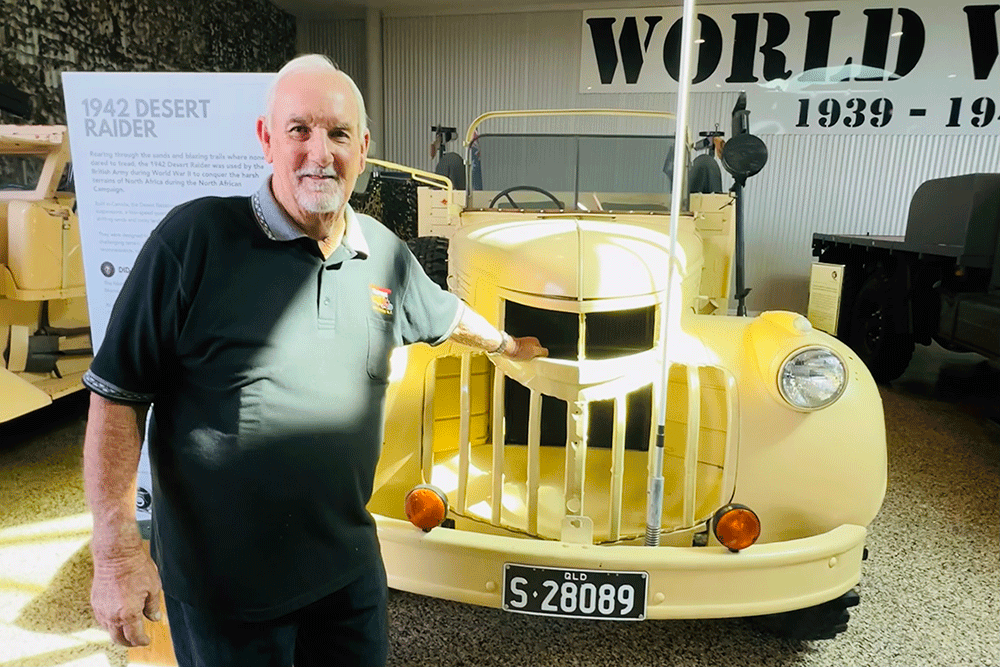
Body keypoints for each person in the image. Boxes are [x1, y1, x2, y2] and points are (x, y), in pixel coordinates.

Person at [83, 53, 547, 667]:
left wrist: (508, 347)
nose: (319, 153)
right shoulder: (193, 240)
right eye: (299, 129)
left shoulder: (382, 253)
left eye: (338, 133)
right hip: (226, 592)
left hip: (347, 571)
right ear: (266, 139)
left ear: (364, 147)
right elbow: (117, 394)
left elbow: (447, 316)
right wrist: (116, 554)